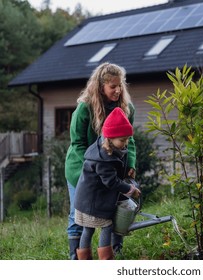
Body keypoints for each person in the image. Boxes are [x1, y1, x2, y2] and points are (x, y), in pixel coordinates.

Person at [64, 62, 137, 260]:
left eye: (120, 85)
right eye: (113, 86)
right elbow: (78, 143)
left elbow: (129, 140)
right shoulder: (84, 108)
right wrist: (91, 171)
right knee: (79, 211)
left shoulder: (126, 107)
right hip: (82, 168)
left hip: (112, 167)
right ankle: (76, 258)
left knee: (117, 206)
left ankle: (116, 250)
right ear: (100, 86)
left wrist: (130, 165)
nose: (118, 89)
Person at [74, 107, 141, 260]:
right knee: (107, 226)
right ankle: (106, 260)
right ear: (110, 138)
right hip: (93, 202)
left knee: (88, 229)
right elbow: (111, 182)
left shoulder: (104, 149)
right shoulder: (103, 158)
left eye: (127, 140)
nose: (125, 144)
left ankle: (84, 261)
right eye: (122, 140)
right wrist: (130, 190)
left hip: (86, 200)